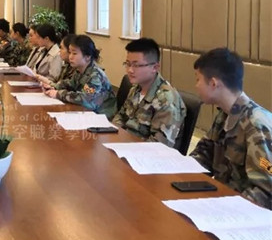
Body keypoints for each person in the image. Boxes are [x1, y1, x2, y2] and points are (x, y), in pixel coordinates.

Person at [190, 48, 272, 209]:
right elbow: (203, 155)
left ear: (213, 83)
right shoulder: (224, 115)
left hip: (243, 212)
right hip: (222, 201)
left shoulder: (256, 126)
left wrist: (225, 208)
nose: (196, 86)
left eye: (198, 79)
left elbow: (266, 190)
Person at [112, 38, 186, 147]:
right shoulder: (136, 89)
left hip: (143, 153)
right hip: (124, 145)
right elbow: (121, 116)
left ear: (155, 67)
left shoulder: (166, 100)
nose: (130, 70)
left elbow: (158, 146)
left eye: (136, 65)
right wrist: (113, 134)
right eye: (128, 64)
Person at [44, 35, 116, 119]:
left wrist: (58, 94)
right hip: (85, 112)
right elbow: (70, 84)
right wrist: (53, 87)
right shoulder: (80, 70)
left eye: (74, 53)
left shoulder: (95, 75)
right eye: (70, 52)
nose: (70, 57)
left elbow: (86, 99)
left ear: (87, 56)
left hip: (100, 117)